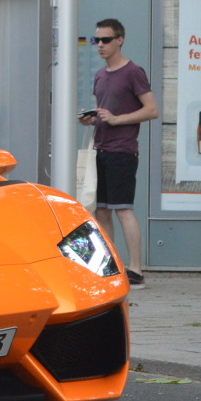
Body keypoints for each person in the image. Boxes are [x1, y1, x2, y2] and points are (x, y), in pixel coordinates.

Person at [78, 18, 158, 289]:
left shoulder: (134, 72)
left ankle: (136, 269)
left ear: (120, 40)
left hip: (123, 150)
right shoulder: (100, 75)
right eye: (96, 40)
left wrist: (116, 119)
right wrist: (93, 118)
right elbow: (104, 110)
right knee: (101, 211)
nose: (100, 45)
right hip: (100, 149)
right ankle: (110, 265)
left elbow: (151, 110)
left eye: (106, 40)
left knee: (123, 209)